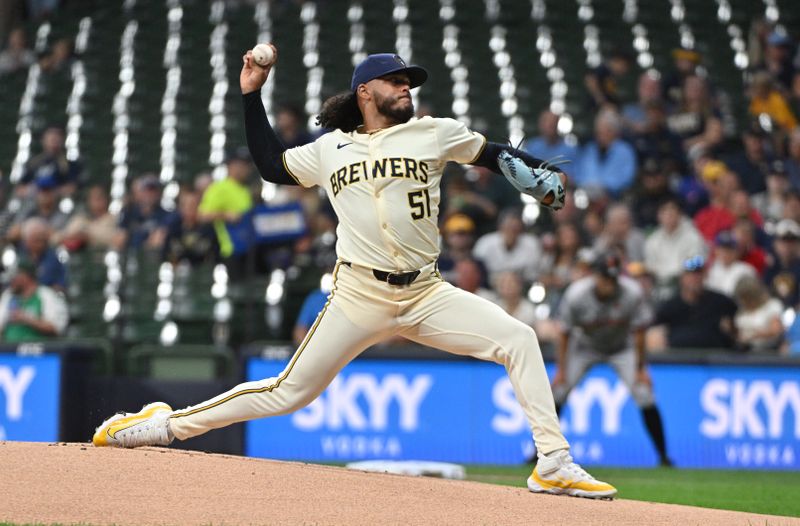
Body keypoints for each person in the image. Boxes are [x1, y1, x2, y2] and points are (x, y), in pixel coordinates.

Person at [92, 49, 616, 499]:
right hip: (359, 293)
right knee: (287, 393)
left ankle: (552, 463)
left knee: (519, 338)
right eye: (396, 80)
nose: (406, 88)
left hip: (427, 291)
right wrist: (250, 95)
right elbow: (273, 166)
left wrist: (534, 175)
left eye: (409, 81)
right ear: (366, 91)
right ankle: (163, 425)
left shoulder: (435, 133)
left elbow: (492, 154)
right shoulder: (330, 149)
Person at [553, 252, 672, 466]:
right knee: (558, 392)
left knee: (644, 393)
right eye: (605, 278)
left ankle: (663, 457)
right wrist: (561, 370)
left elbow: (640, 332)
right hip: (585, 347)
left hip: (621, 348)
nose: (609, 283)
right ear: (594, 276)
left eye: (613, 278)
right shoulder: (577, 295)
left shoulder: (631, 292)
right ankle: (539, 454)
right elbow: (564, 333)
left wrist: (641, 368)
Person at [654, 255, 738, 350]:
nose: (694, 278)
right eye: (690, 274)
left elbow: (738, 331)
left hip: (716, 360)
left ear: (705, 275)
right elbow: (654, 334)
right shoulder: (669, 307)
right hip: (679, 360)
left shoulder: (722, 302)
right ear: (682, 277)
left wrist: (732, 330)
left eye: (698, 273)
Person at [0, 259, 68, 342]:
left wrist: (26, 319)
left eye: (15, 276)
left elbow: (55, 328)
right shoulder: (8, 296)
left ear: (26, 277)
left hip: (40, 351)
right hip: (9, 351)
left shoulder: (46, 295)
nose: (11, 280)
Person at [732, 275, 784, 353]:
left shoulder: (772, 306)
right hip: (745, 352)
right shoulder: (742, 311)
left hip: (768, 351)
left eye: (746, 297)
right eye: (741, 298)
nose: (744, 301)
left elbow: (776, 330)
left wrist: (754, 336)